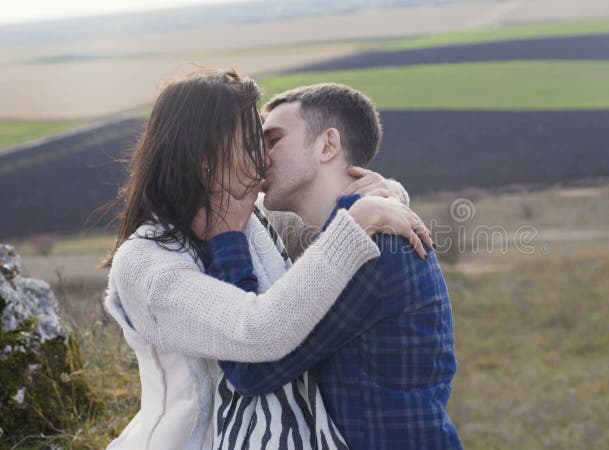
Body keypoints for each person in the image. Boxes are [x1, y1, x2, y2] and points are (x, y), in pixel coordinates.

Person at [102, 69, 432, 449]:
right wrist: (356, 222)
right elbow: (255, 334)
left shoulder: (256, 221)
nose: (264, 159)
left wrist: (384, 195)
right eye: (249, 143)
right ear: (205, 158)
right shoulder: (146, 265)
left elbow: (327, 237)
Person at [210, 83, 462, 449]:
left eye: (273, 140)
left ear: (327, 144)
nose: (259, 157)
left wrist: (225, 237)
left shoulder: (374, 249)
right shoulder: (342, 236)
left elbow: (253, 369)